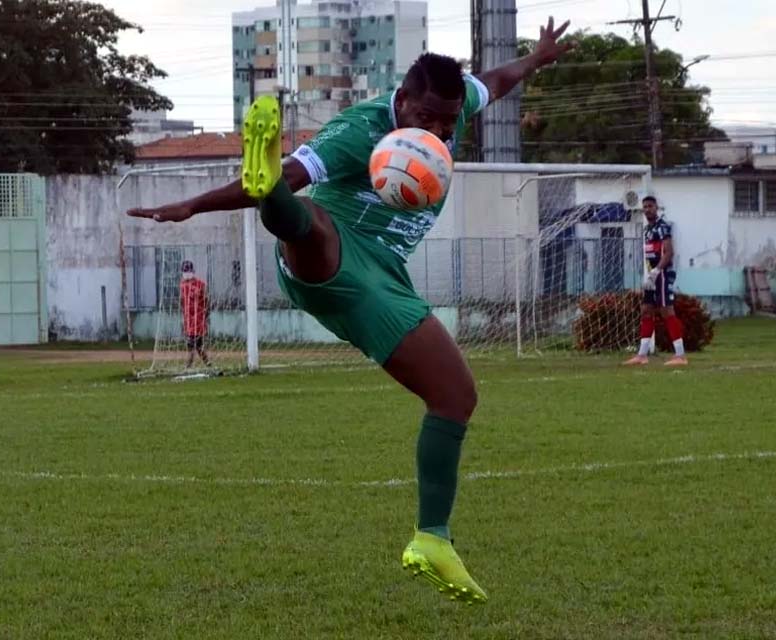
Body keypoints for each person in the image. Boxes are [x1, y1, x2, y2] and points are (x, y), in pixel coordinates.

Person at [128, 18, 572, 605]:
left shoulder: (453, 103)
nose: (438, 131)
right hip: (332, 247)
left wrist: (537, 58)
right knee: (308, 220)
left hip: (384, 278)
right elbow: (297, 169)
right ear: (403, 100)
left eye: (446, 122)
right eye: (426, 120)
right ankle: (271, 198)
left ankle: (432, 539)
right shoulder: (358, 131)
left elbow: (496, 78)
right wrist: (193, 204)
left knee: (457, 395)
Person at [624, 196, 688, 366]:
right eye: (644, 207)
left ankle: (680, 355)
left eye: (650, 206)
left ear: (656, 207)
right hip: (651, 275)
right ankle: (642, 355)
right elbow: (648, 254)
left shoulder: (662, 227)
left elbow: (668, 253)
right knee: (646, 310)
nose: (647, 209)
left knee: (667, 310)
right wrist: (647, 274)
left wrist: (657, 270)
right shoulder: (646, 230)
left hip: (662, 274)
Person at [179, 260, 212, 369]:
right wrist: (183, 320)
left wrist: (206, 316)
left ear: (193, 271)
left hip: (198, 322)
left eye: (188, 271)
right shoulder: (182, 285)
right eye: (185, 271)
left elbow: (206, 301)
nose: (186, 273)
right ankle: (208, 365)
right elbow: (182, 302)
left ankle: (188, 367)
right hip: (189, 323)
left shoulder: (200, 284)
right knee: (198, 348)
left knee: (193, 348)